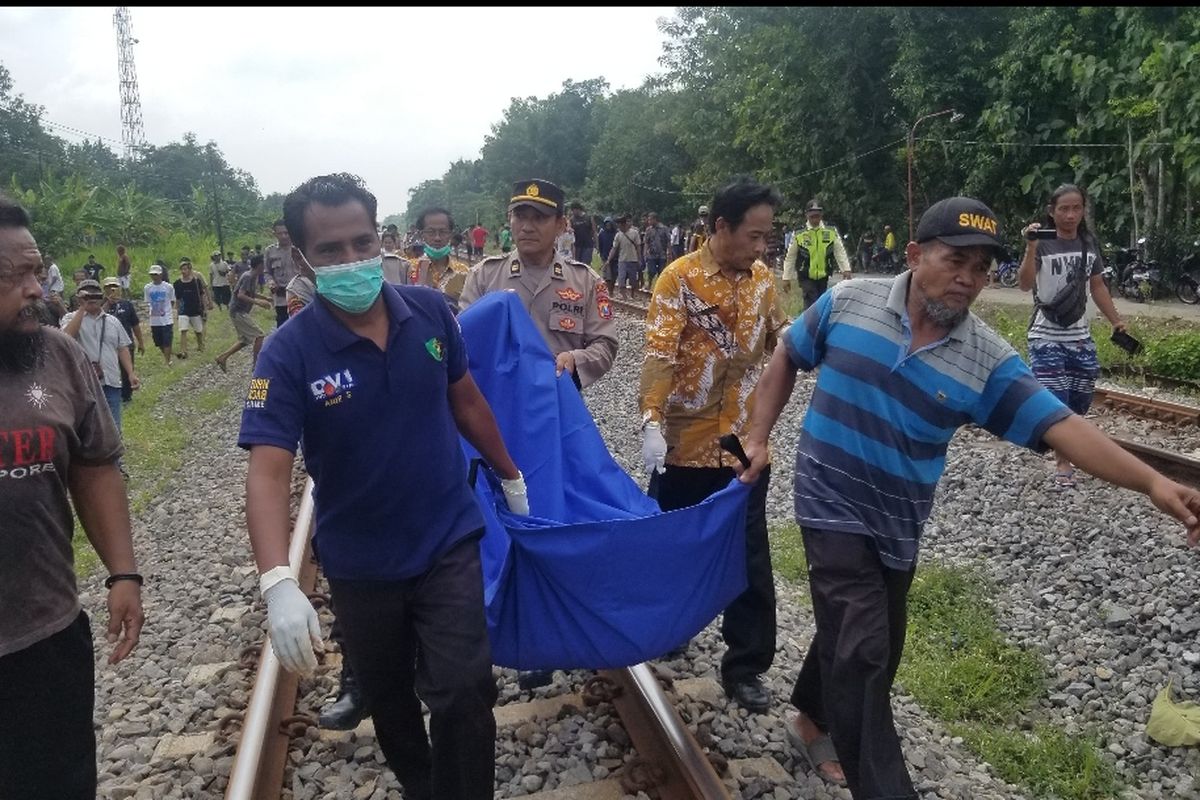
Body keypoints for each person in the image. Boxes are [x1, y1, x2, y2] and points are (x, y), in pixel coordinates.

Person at [736, 196, 1200, 798]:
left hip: (898, 519)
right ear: (914, 255)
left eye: (981, 269)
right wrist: (758, 433)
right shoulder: (848, 303)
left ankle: (811, 716)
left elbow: (1063, 427)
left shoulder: (986, 360)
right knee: (865, 645)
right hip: (828, 496)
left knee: (878, 628)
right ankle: (882, 786)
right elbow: (787, 355)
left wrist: (1155, 483)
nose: (969, 279)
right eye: (956, 260)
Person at [240, 172, 529, 800]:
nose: (352, 260)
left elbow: (467, 401)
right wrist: (277, 583)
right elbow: (266, 472)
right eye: (330, 250)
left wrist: (510, 474)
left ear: (383, 240)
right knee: (392, 700)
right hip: (360, 561)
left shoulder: (428, 313)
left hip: (445, 538)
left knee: (463, 687)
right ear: (301, 256)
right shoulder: (288, 355)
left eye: (362, 243)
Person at [0, 192, 144, 799]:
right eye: (13, 277)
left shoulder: (54, 355)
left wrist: (123, 573)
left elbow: (93, 466)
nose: (36, 289)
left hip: (45, 636)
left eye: (37, 270)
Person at [639, 176, 786, 714]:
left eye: (767, 236)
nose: (761, 245)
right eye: (753, 234)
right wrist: (650, 420)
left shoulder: (766, 280)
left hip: (742, 441)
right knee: (675, 543)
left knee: (749, 550)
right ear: (720, 226)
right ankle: (669, 629)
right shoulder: (678, 279)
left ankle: (746, 665)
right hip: (684, 440)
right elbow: (660, 353)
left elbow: (781, 343)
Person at [1018, 183, 1127, 488]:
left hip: (1079, 334)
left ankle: (1067, 446)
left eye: (1076, 208)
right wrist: (1030, 247)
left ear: (1083, 210)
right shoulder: (1042, 242)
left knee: (1080, 397)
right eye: (1063, 209)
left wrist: (1116, 321)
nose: (1070, 214)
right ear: (1052, 212)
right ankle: (1063, 460)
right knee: (1056, 397)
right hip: (1045, 332)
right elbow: (1025, 285)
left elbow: (1097, 287)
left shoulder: (1087, 243)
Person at [462, 180, 618, 391]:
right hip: (495, 402)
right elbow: (461, 339)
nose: (527, 227)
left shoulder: (586, 281)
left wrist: (574, 359)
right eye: (520, 217)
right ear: (510, 219)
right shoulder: (484, 276)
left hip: (558, 402)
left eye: (539, 218)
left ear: (561, 225)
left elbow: (605, 343)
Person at [60, 279, 140, 439]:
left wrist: (131, 373)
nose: (92, 298)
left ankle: (115, 462)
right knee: (88, 430)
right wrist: (82, 308)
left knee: (114, 428)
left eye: (95, 294)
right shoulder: (70, 318)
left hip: (111, 381)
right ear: (79, 297)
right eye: (87, 294)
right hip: (85, 384)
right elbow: (67, 337)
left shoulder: (112, 321)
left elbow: (122, 348)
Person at [782, 198, 851, 310]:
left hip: (823, 275)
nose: (815, 219)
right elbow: (791, 256)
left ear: (821, 215)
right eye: (812, 216)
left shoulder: (830, 231)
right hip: (806, 275)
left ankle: (818, 324)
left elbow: (839, 251)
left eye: (817, 216)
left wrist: (846, 269)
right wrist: (786, 277)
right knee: (811, 301)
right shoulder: (799, 233)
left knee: (822, 301)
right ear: (806, 215)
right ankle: (810, 325)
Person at [215, 254, 270, 372]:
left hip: (240, 311)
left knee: (244, 340)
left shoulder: (253, 276)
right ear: (260, 265)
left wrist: (265, 298)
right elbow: (241, 294)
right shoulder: (248, 276)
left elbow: (249, 293)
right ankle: (257, 365)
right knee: (259, 335)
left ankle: (223, 357)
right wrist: (259, 303)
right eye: (264, 264)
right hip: (237, 311)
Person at [408, 207, 471, 309]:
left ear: (450, 234)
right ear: (421, 235)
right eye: (431, 232)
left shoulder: (465, 273)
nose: (437, 238)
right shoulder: (408, 269)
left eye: (443, 232)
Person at [101, 276, 144, 403]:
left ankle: (126, 396)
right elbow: (97, 317)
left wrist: (141, 342)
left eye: (114, 286)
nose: (112, 289)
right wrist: (107, 303)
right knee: (109, 371)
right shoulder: (100, 305)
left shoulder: (127, 304)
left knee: (127, 370)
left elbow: (135, 324)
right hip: (107, 344)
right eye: (109, 287)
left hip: (126, 343)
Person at [173, 258, 212, 359]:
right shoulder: (177, 283)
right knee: (183, 330)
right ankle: (183, 351)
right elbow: (177, 298)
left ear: (190, 270)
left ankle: (201, 346)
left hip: (195, 309)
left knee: (198, 330)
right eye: (182, 269)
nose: (183, 271)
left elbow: (202, 294)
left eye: (185, 269)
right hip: (183, 310)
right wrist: (177, 311)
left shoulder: (196, 281)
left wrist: (204, 308)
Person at [264, 219, 298, 327]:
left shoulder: (299, 248)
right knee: (283, 328)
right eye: (280, 233)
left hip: (300, 296)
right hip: (281, 299)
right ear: (274, 234)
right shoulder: (270, 251)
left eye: (286, 233)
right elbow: (267, 272)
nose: (284, 236)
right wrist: (271, 282)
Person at [143, 264, 176, 365]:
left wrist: (167, 311)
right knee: (158, 341)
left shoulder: (168, 287)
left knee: (167, 340)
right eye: (152, 274)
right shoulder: (148, 288)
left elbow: (172, 301)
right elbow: (148, 302)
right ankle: (167, 355)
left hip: (166, 319)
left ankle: (167, 361)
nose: (154, 276)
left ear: (161, 275)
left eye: (156, 274)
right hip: (154, 319)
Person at [605, 215, 642, 299]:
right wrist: (608, 260)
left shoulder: (634, 233)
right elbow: (614, 248)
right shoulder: (618, 235)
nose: (619, 227)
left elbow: (638, 246)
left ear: (624, 224)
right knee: (621, 279)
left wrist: (639, 258)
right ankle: (624, 296)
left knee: (633, 279)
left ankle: (633, 293)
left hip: (633, 259)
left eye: (620, 225)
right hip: (622, 260)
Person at [642, 212, 671, 288]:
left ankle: (660, 287)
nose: (649, 222)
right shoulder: (648, 230)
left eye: (650, 220)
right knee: (651, 271)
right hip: (651, 254)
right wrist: (645, 253)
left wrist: (669, 252)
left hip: (662, 254)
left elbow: (668, 241)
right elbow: (646, 242)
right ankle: (649, 283)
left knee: (661, 272)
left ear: (655, 219)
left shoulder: (664, 229)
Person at [597, 216, 617, 285]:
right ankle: (608, 288)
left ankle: (612, 286)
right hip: (605, 255)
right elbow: (600, 244)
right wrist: (601, 253)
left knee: (614, 273)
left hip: (615, 256)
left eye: (609, 224)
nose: (608, 226)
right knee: (607, 275)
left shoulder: (615, 233)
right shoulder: (602, 234)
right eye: (606, 225)